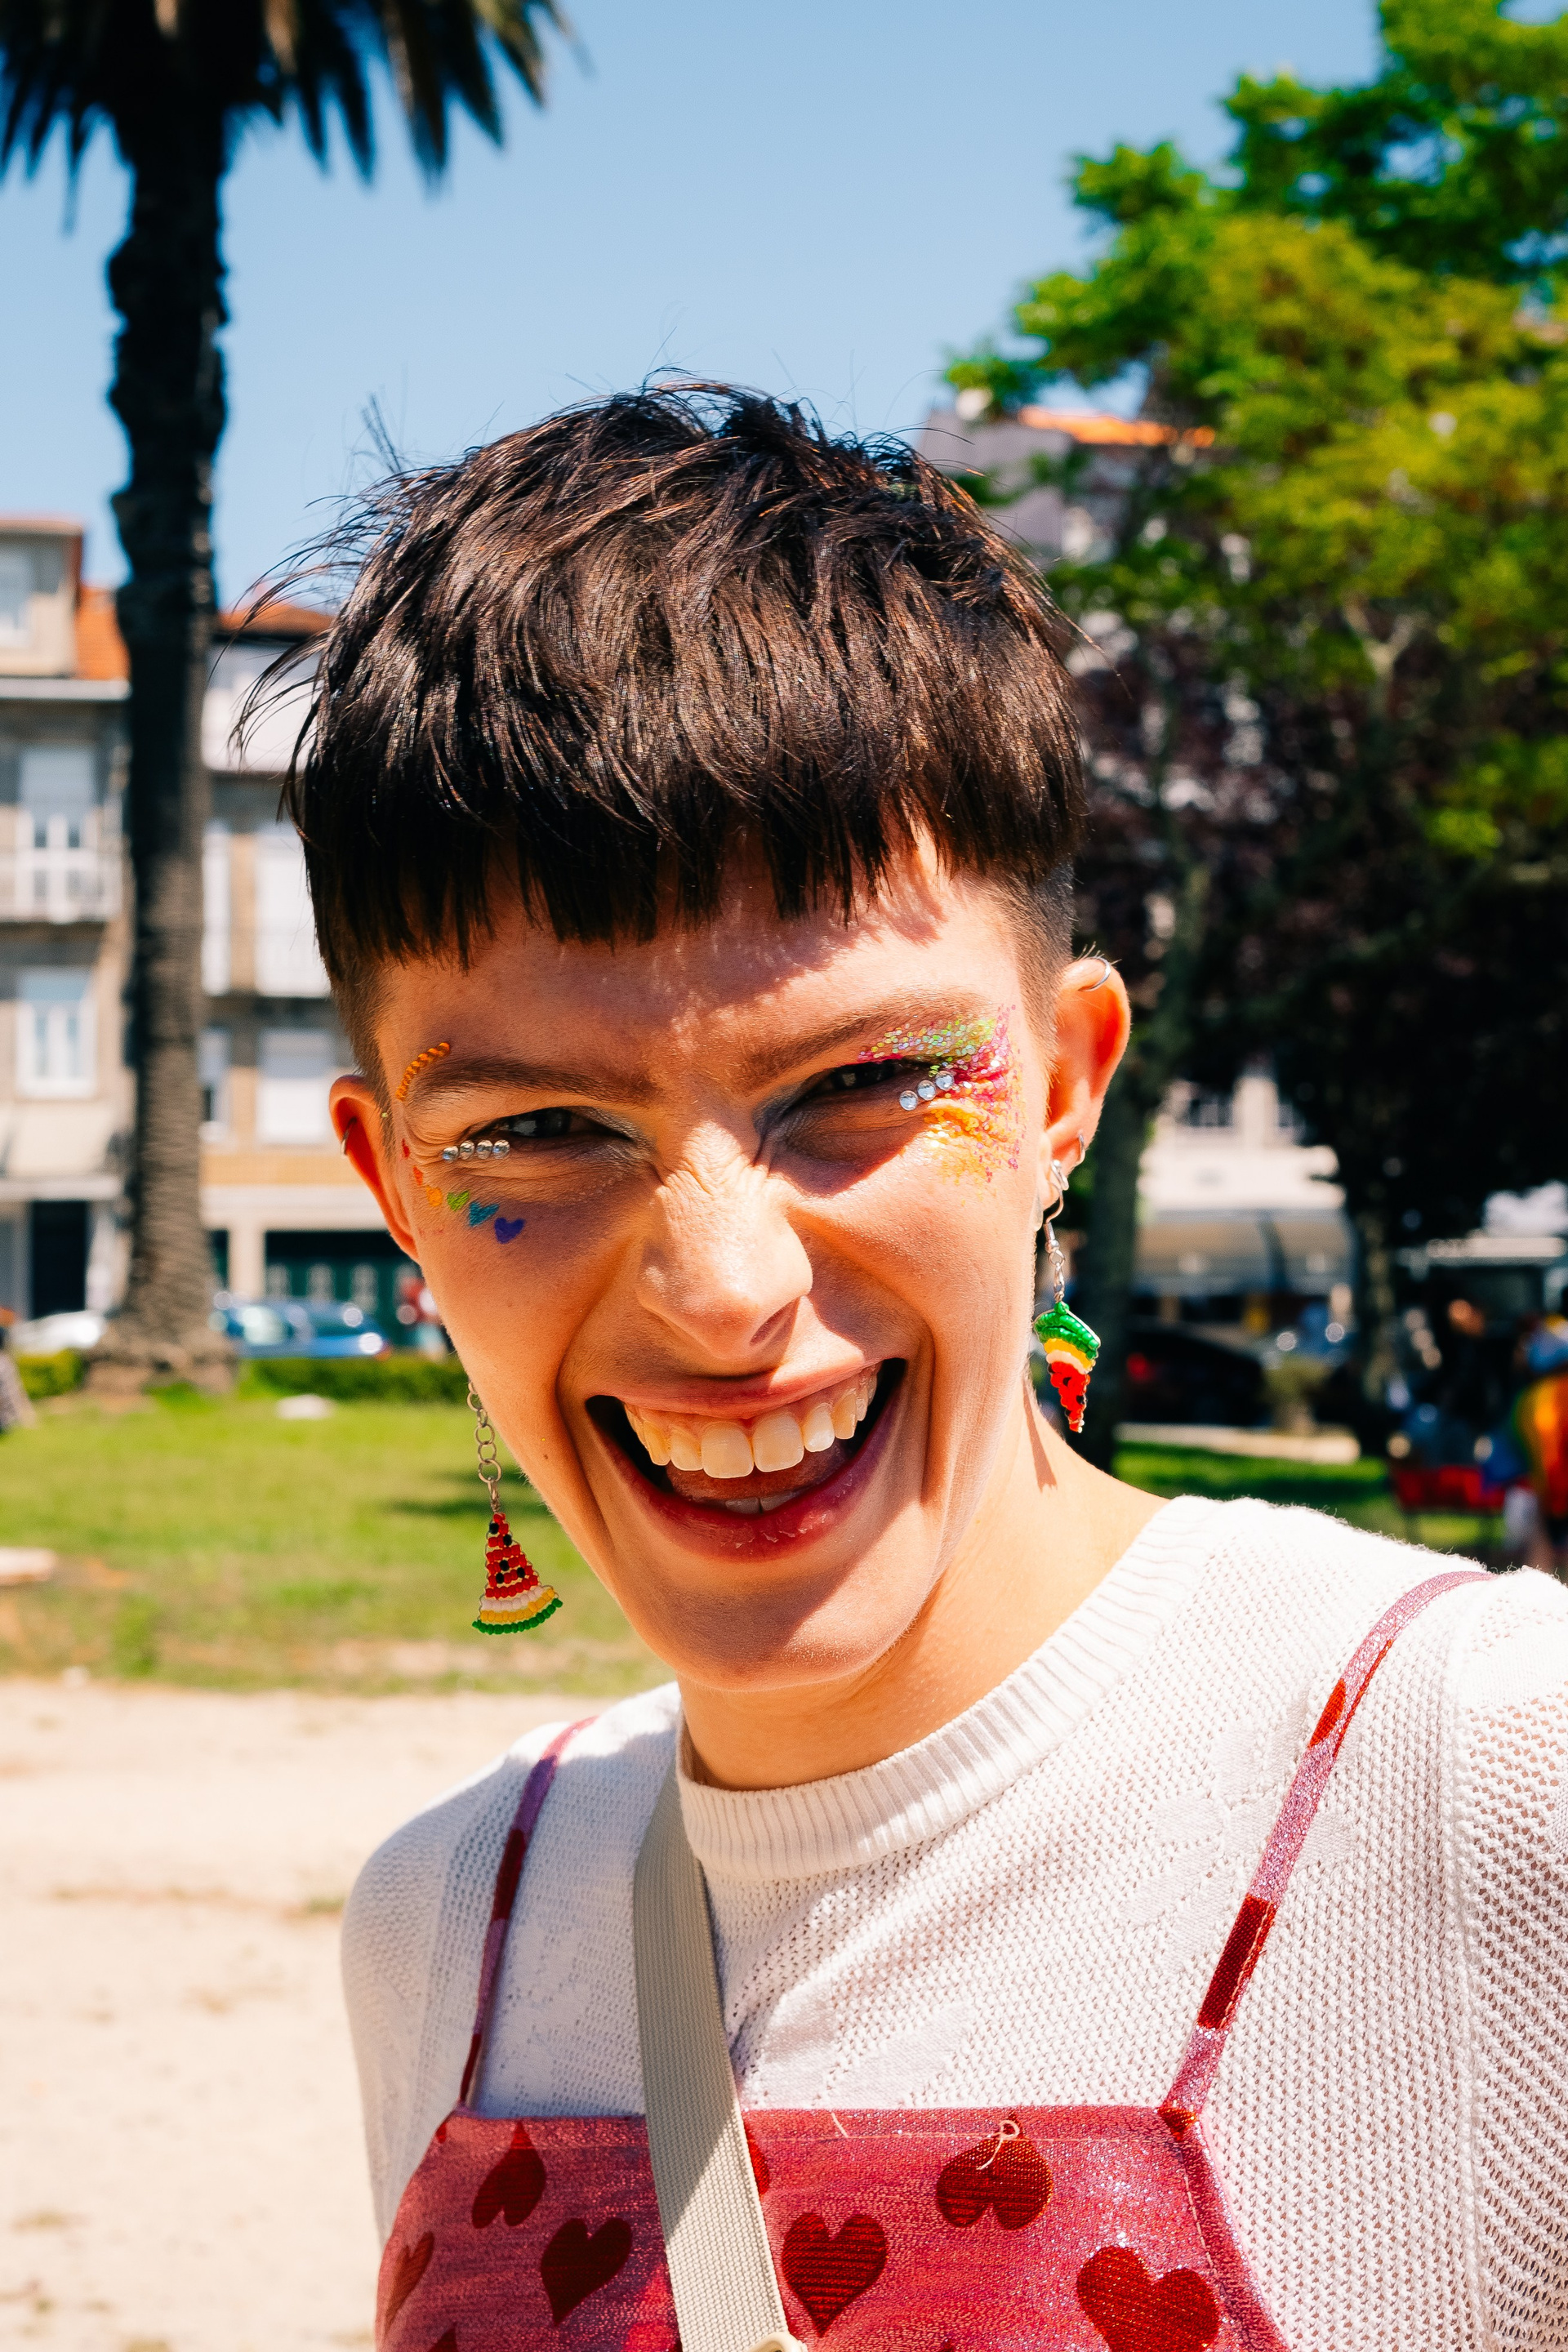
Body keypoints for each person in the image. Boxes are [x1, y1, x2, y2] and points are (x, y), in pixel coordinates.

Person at [295, 390, 1568, 2351]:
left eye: (863, 1085)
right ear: (392, 1184)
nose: (723, 1294)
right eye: (538, 1130)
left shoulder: (1497, 1783)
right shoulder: (451, 1921)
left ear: (1063, 1089)